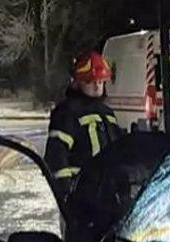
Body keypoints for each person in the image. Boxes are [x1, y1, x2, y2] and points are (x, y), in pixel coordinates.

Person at [45, 51, 123, 198]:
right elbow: (56, 155)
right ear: (78, 82)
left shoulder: (107, 113)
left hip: (108, 192)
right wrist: (66, 192)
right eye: (90, 81)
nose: (97, 87)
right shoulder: (67, 112)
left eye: (100, 82)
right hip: (80, 194)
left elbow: (119, 150)